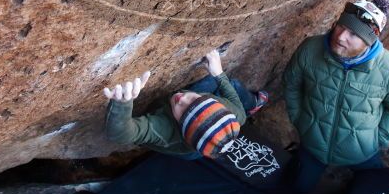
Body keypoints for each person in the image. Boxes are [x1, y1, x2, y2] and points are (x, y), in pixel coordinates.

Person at [282, 0, 389, 193]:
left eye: (354, 34)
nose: (341, 36)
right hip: (314, 145)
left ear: (369, 41)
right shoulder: (311, 49)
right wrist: (299, 119)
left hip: (362, 152)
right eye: (341, 26)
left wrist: (378, 139)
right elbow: (291, 83)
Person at [103, 49, 267, 160]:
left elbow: (120, 135)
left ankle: (252, 103)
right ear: (215, 103)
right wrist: (219, 74)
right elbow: (236, 104)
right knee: (230, 84)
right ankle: (253, 103)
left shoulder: (167, 130)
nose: (182, 99)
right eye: (196, 99)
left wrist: (122, 103)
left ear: (181, 125)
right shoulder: (236, 115)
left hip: (188, 148)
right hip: (202, 143)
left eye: (184, 111)